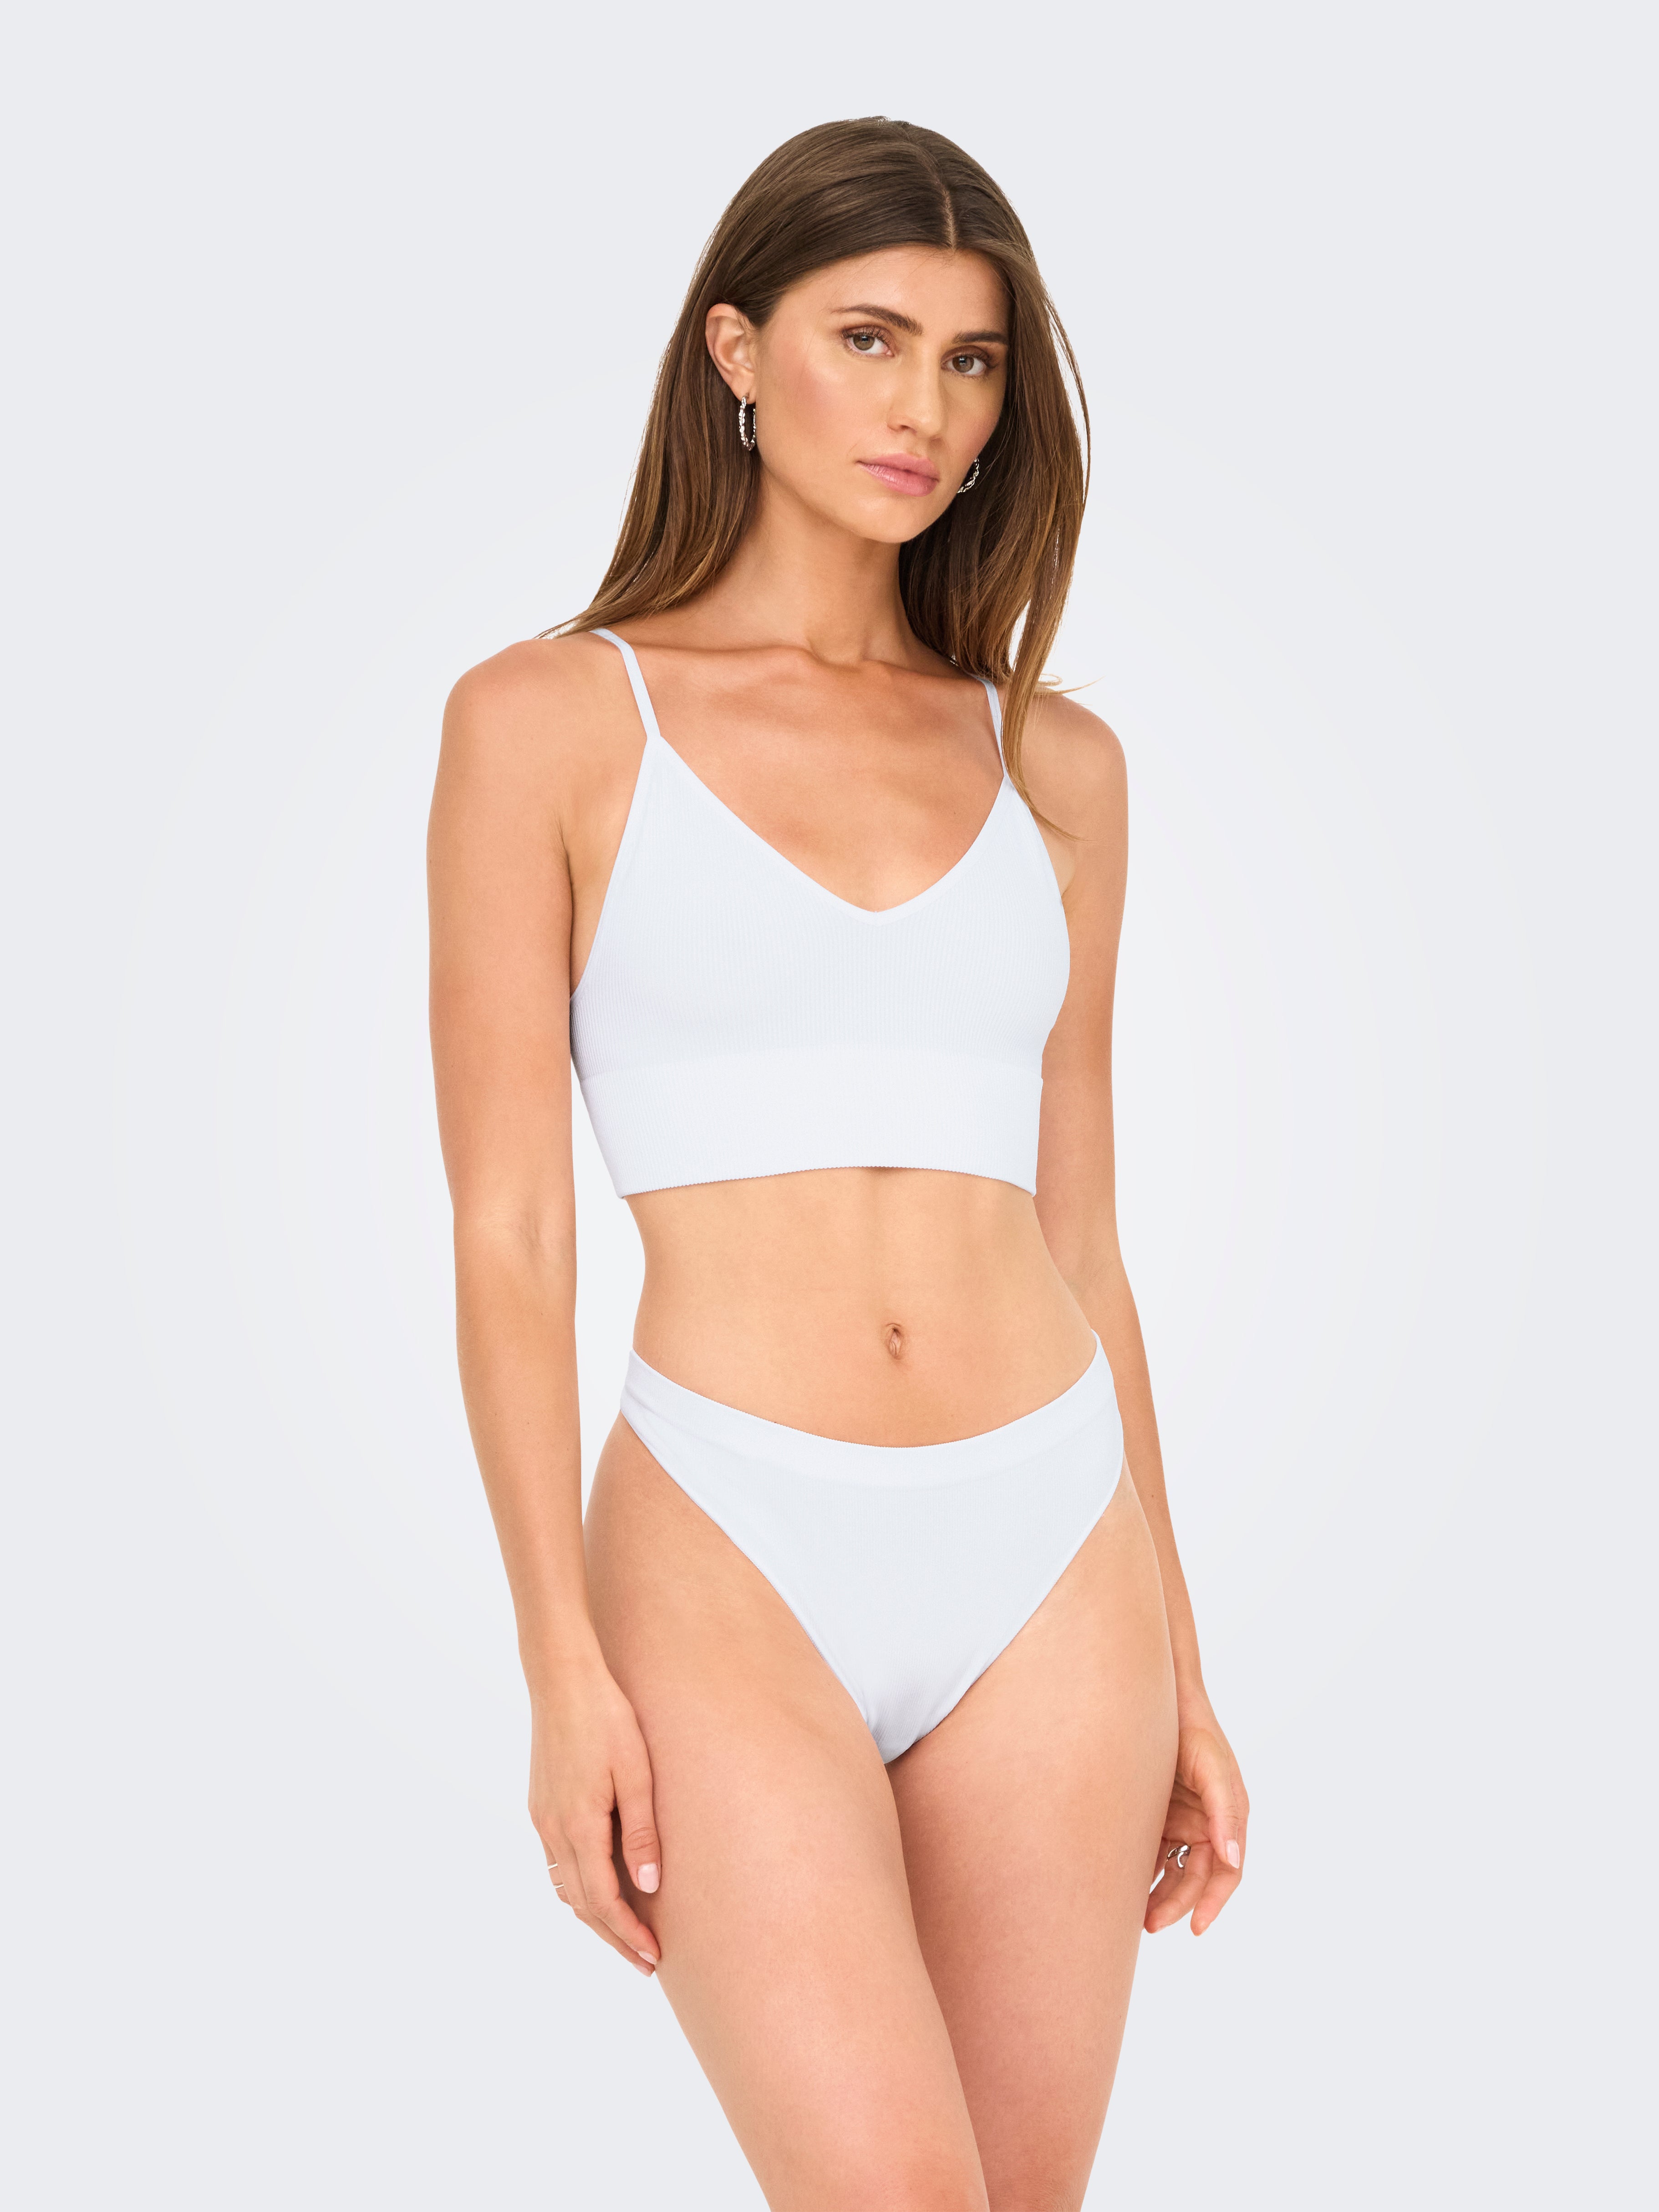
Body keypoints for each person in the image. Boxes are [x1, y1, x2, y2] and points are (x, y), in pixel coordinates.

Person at [427, 115, 1248, 2212]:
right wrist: (555, 1665)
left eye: (971, 362)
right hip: (728, 1537)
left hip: (1050, 1544)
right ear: (734, 352)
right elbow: (510, 1234)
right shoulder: (549, 722)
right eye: (866, 339)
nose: (924, 409)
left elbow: (1085, 1237)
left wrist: (1183, 1659)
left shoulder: (1052, 765)